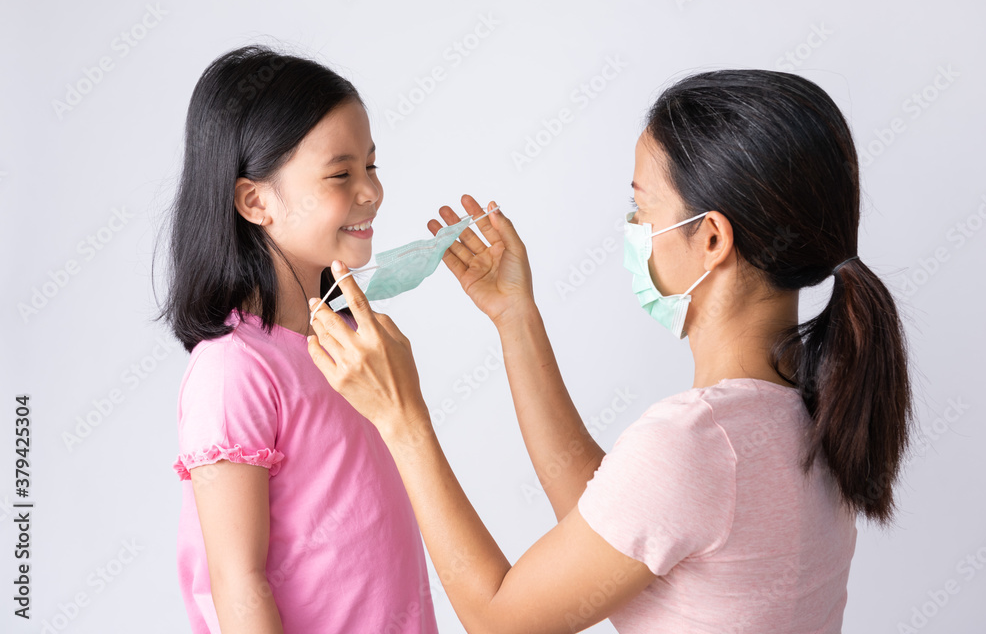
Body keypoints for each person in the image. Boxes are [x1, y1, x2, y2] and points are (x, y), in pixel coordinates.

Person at [307, 69, 913, 633]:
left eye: (641, 208)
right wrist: (516, 318)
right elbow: (614, 510)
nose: (632, 229)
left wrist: (402, 417)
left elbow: (498, 618)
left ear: (710, 238)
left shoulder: (699, 440)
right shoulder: (805, 410)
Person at [159, 45, 438, 633]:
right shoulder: (234, 370)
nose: (371, 191)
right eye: (341, 173)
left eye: (372, 165)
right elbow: (238, 584)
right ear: (255, 201)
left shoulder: (350, 345)